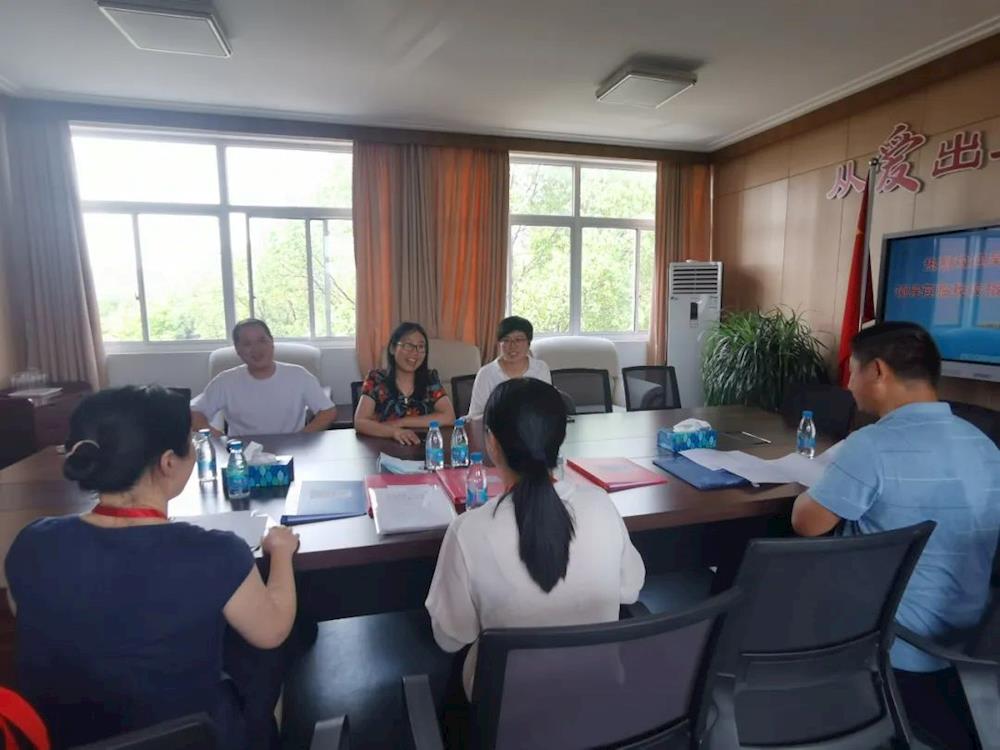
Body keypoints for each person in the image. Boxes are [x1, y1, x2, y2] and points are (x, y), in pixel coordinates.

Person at [5, 386, 299, 749]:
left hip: (62, 739)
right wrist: (281, 552)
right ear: (168, 462)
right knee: (271, 651)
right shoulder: (215, 552)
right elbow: (272, 631)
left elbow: (25, 612)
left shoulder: (33, 542)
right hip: (191, 739)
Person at [791, 322, 1000, 750]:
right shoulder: (984, 444)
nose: (848, 385)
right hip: (972, 639)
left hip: (889, 641)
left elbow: (807, 523)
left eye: (852, 371)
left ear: (878, 371)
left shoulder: (872, 445)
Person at [425, 377, 646, 700]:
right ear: (560, 439)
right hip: (598, 701)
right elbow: (630, 590)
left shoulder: (468, 531)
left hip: (504, 712)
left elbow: (450, 637)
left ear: (491, 443)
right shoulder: (601, 505)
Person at [191, 318, 338, 436]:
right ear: (237, 350)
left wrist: (302, 437)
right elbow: (195, 413)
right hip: (243, 455)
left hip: (292, 450)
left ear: (272, 342)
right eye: (247, 344)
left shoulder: (299, 375)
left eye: (262, 341)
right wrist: (219, 439)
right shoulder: (225, 381)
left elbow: (328, 411)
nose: (256, 349)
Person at [354, 321, 456, 445]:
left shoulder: (430, 378)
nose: (415, 352)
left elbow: (449, 417)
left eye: (421, 347)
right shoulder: (376, 378)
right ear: (392, 348)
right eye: (408, 345)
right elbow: (360, 422)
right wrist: (394, 432)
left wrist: (401, 422)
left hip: (422, 447)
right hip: (385, 446)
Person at [465, 315, 551, 418]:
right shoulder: (486, 373)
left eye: (518, 340)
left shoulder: (541, 368)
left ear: (528, 343)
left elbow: (547, 407)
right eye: (506, 340)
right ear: (499, 344)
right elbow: (475, 416)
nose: (512, 346)